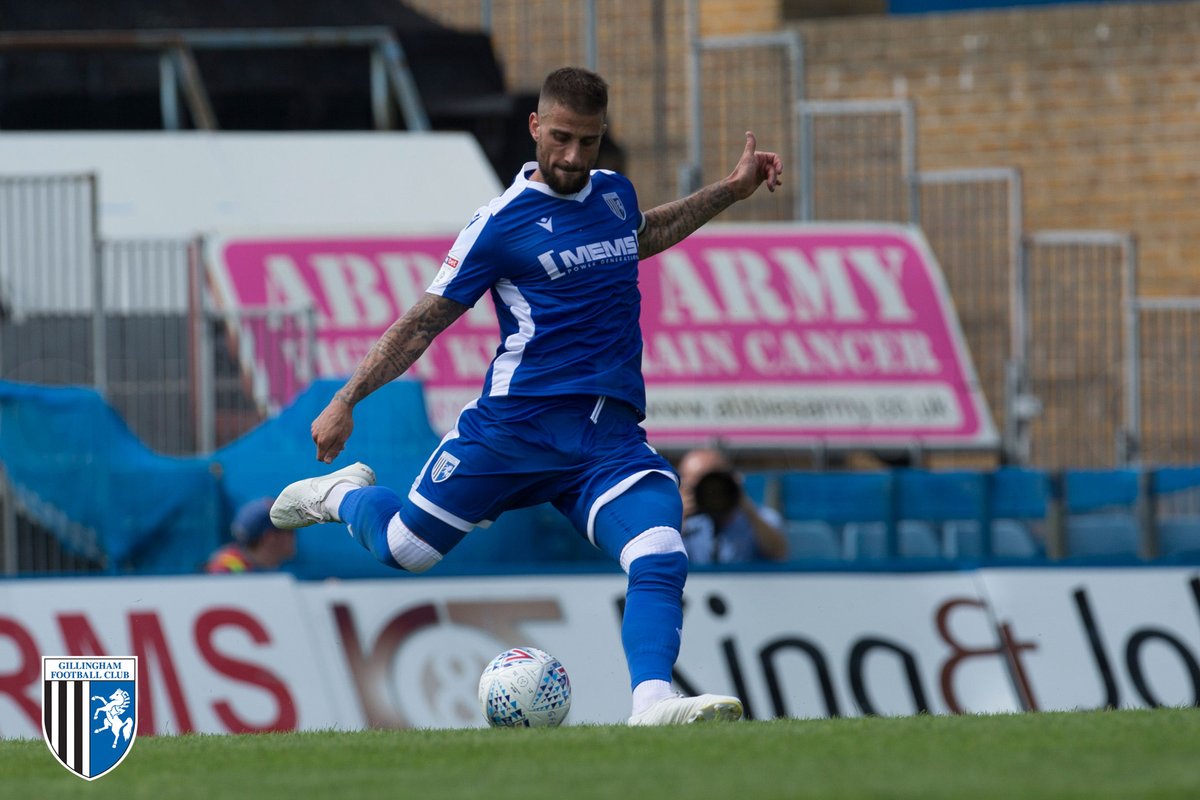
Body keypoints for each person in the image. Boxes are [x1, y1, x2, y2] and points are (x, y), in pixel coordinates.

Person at [270, 66, 782, 726]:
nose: (573, 157)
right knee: (405, 549)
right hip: (514, 429)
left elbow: (644, 234)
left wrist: (732, 191)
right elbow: (424, 320)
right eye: (561, 138)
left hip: (604, 436)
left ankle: (653, 702)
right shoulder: (498, 224)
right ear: (536, 127)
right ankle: (341, 495)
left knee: (660, 550)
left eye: (588, 142)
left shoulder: (616, 196)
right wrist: (346, 400)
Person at [677, 448, 789, 565]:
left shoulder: (764, 518)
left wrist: (745, 506)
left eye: (715, 485)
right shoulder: (677, 525)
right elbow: (660, 563)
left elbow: (779, 554)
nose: (710, 493)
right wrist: (677, 519)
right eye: (698, 487)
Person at [206, 497, 296, 574]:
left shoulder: (285, 568)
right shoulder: (224, 570)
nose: (294, 537)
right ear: (270, 537)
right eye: (290, 530)